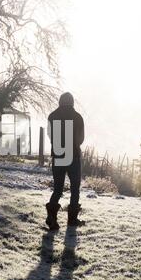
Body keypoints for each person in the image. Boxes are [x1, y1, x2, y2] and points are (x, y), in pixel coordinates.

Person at [46, 92, 85, 230]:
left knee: (57, 189)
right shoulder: (78, 117)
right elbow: (81, 139)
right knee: (75, 189)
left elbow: (50, 135)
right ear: (72, 102)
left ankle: (52, 218)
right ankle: (72, 220)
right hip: (73, 157)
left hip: (58, 156)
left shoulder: (52, 116)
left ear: (60, 102)